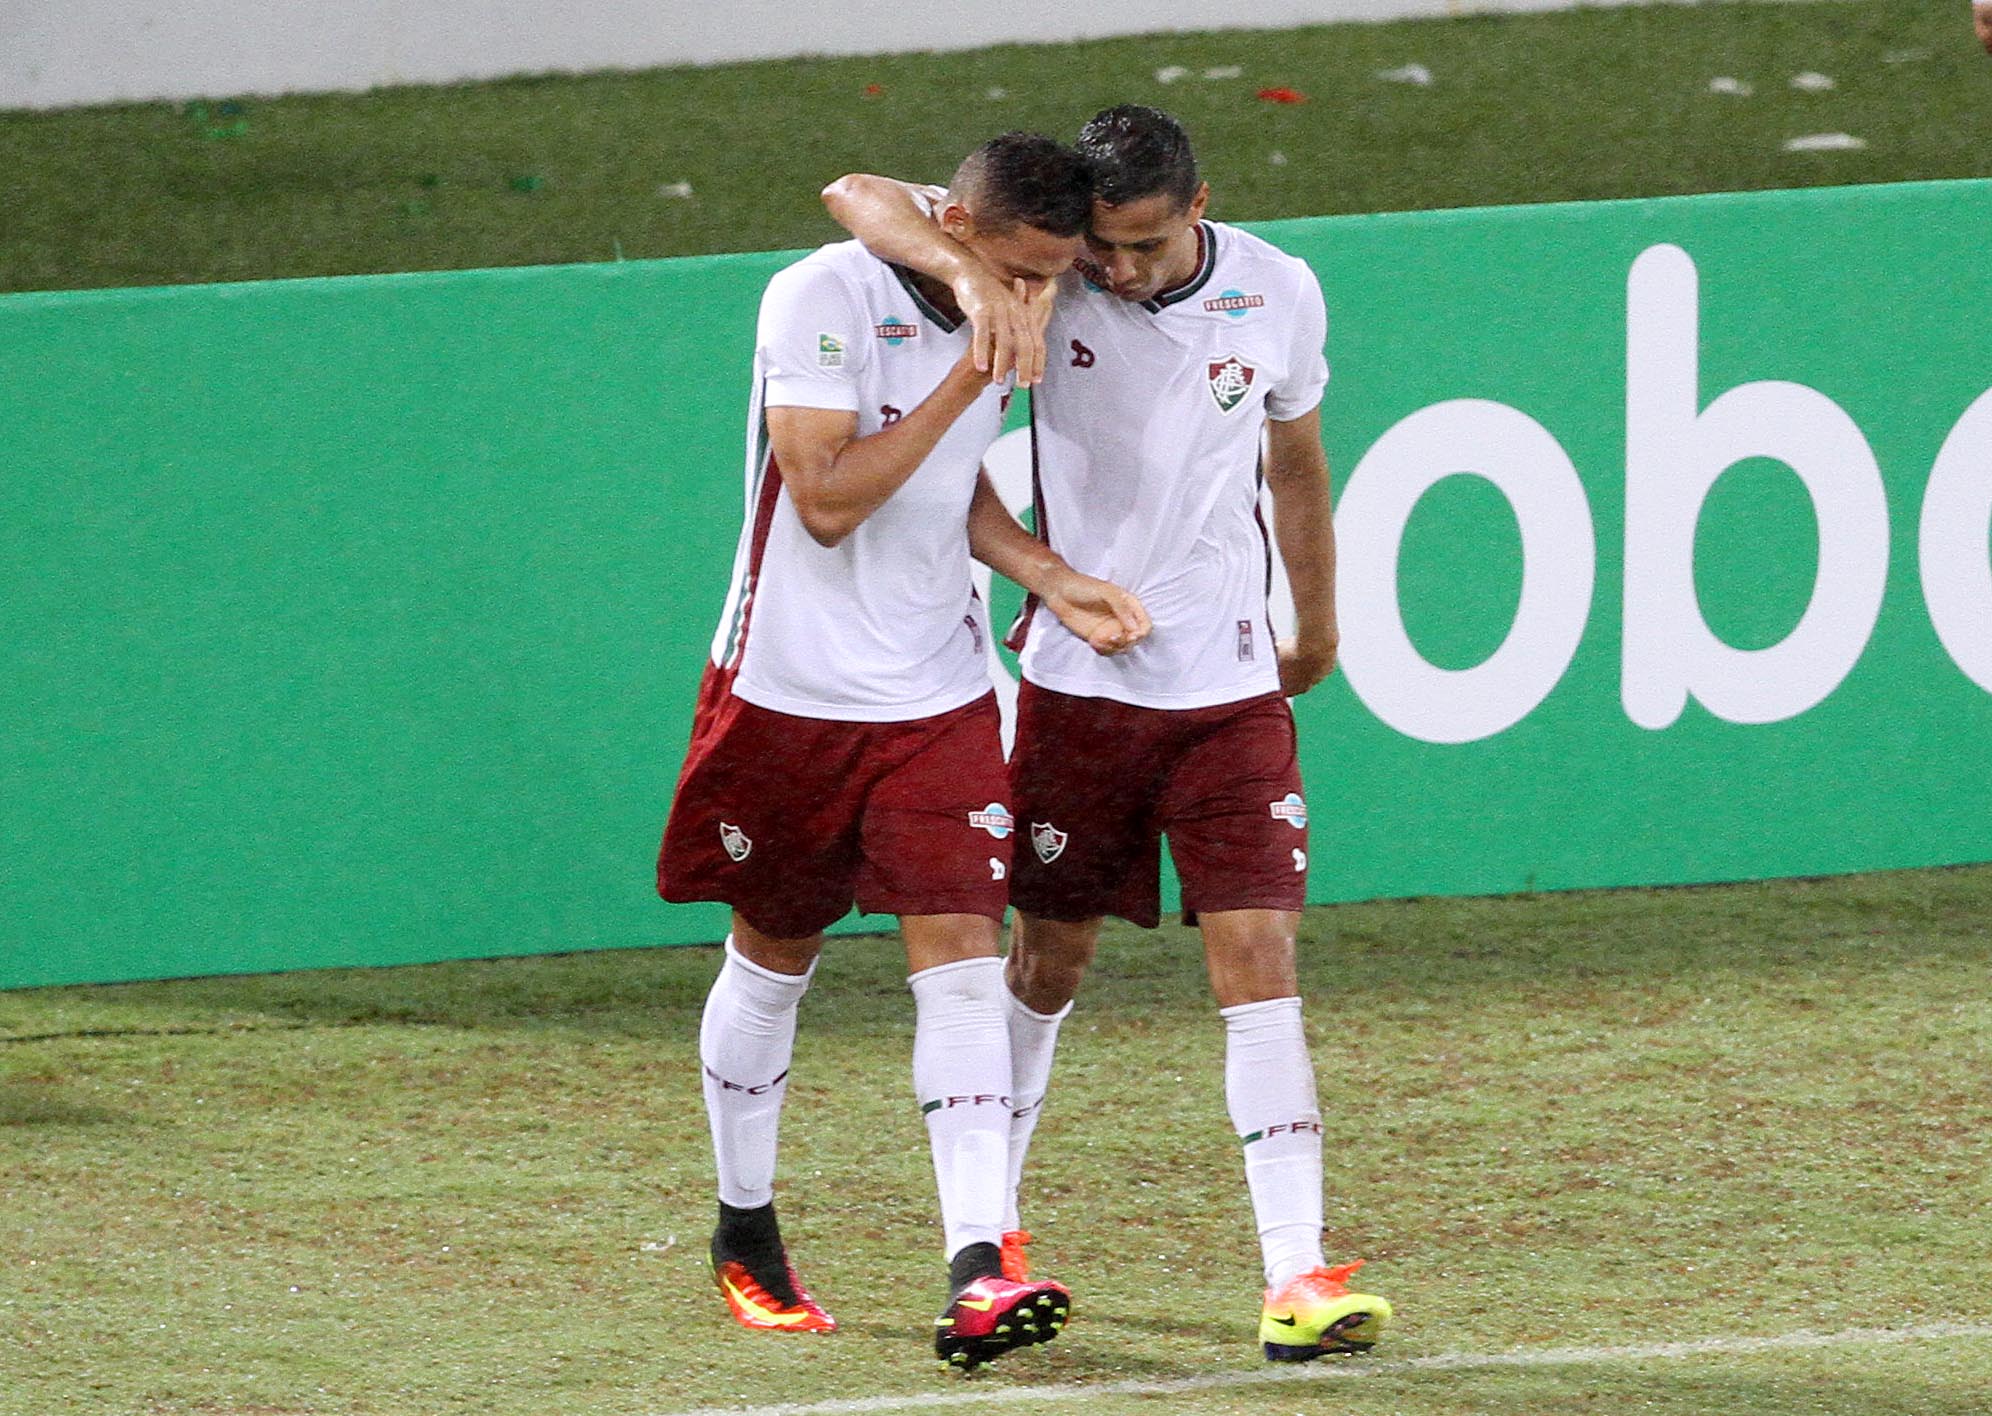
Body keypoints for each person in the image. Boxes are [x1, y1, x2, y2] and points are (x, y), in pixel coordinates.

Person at [822, 105, 1393, 1364]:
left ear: (1201, 207)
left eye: (1143, 245)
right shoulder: (1050, 274)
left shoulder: (1280, 290)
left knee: (1260, 956)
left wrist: (1317, 624)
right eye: (1103, 248)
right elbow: (858, 190)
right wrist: (979, 277)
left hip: (1229, 693)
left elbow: (1296, 466)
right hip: (1080, 690)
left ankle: (1296, 1273)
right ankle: (994, 1234)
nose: (1118, 271)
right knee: (1048, 963)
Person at [658, 131, 1151, 1370]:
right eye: (1020, 270)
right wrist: (969, 355)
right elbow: (826, 499)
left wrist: (1049, 574)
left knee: (964, 962)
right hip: (788, 691)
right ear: (962, 231)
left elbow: (951, 490)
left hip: (938, 693)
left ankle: (979, 1267)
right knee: (775, 956)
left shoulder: (1008, 281)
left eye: (1053, 275)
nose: (1040, 294)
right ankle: (745, 1228)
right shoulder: (819, 298)